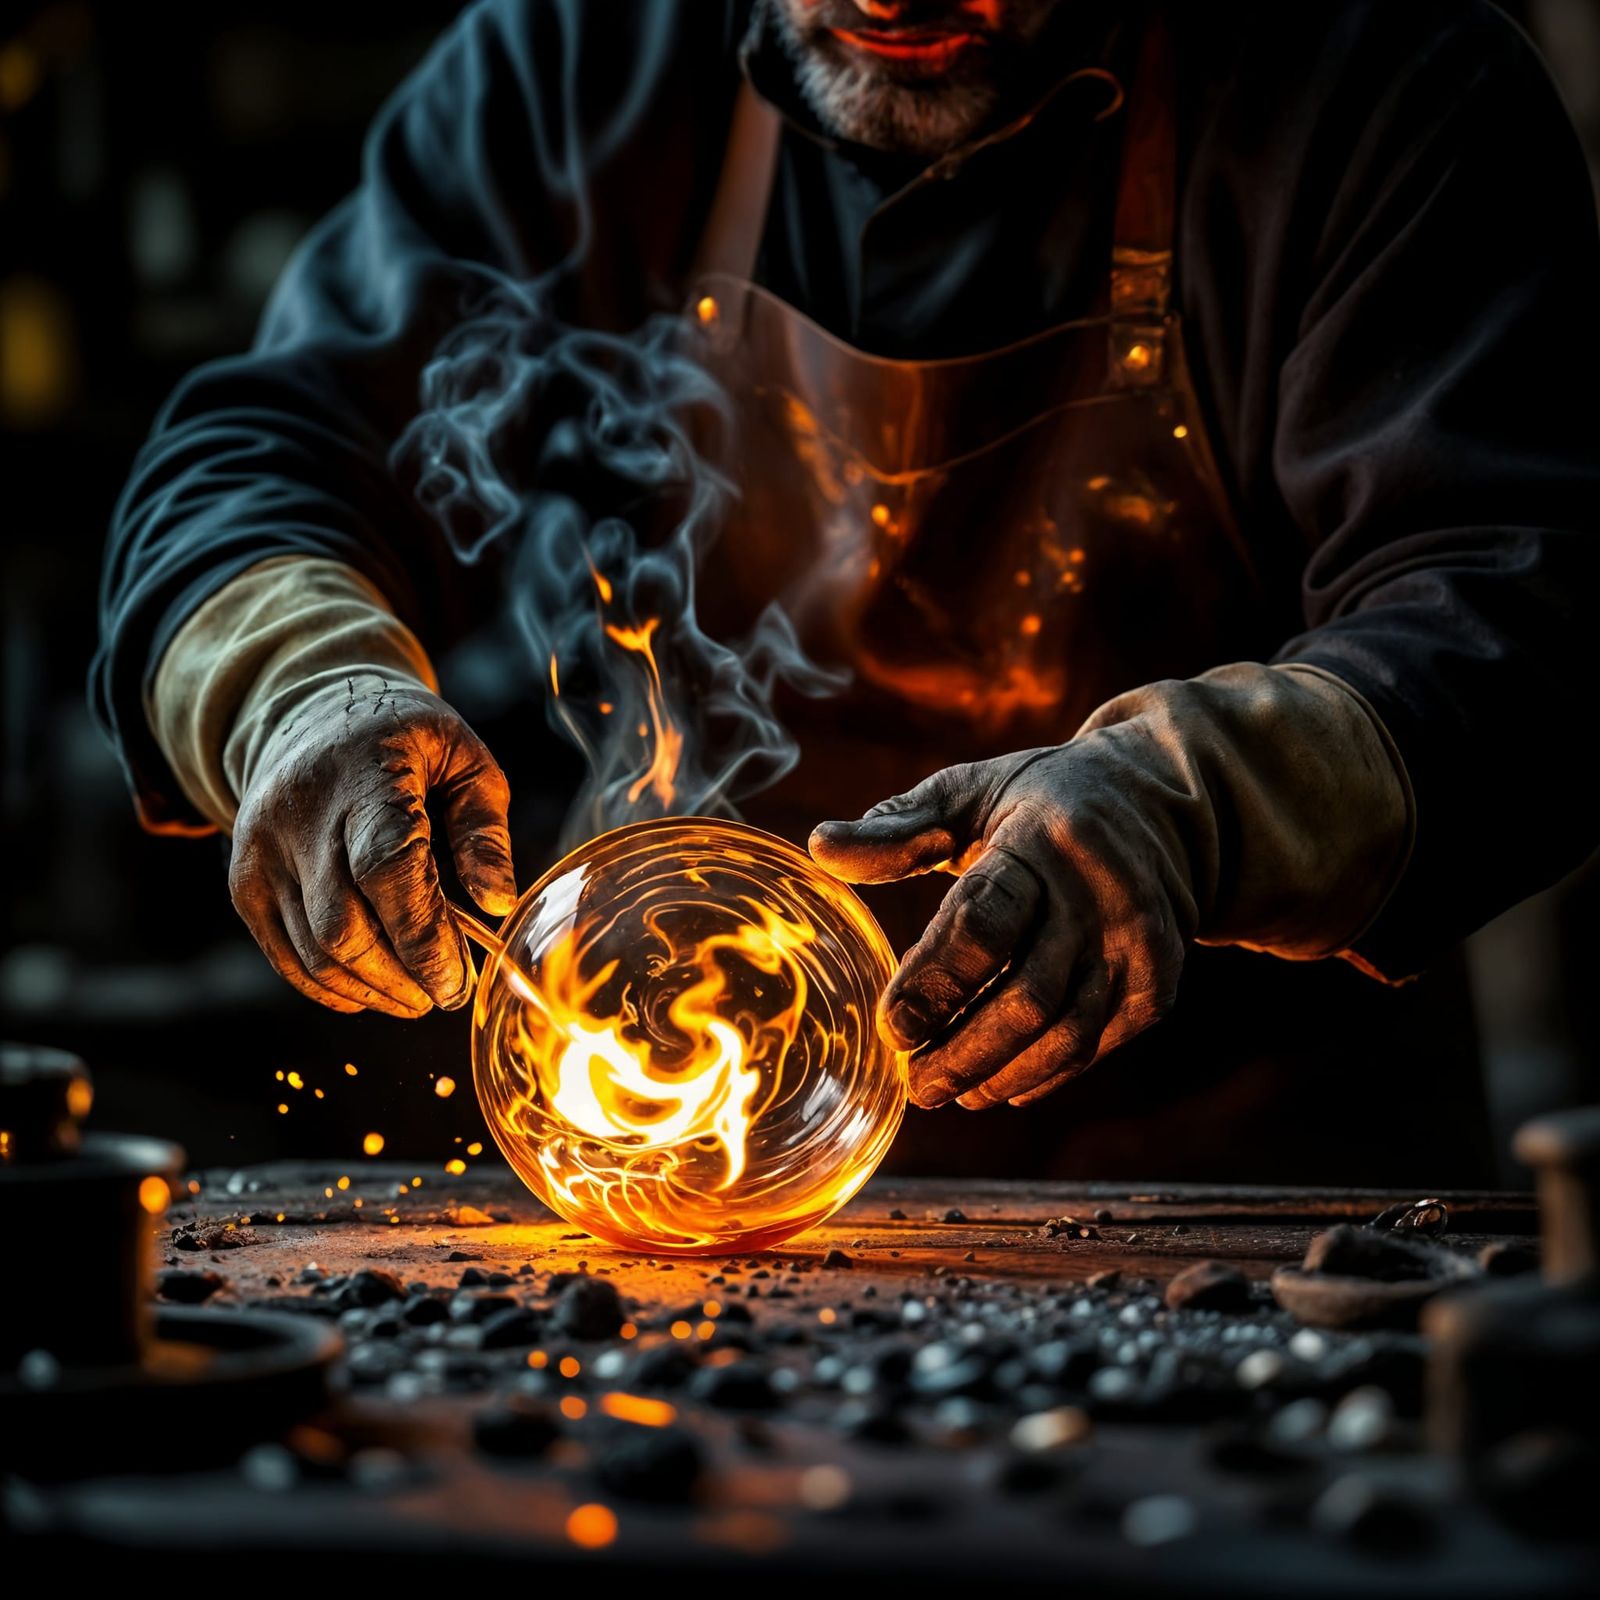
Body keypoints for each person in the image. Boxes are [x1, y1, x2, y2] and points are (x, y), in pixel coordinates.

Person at [93, 0, 1600, 1184]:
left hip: (1259, 1186)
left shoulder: (1374, 81)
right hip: (689, 1186)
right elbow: (268, 451)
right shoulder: (578, 61)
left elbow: (1527, 613)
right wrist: (298, 684)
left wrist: (1193, 804)